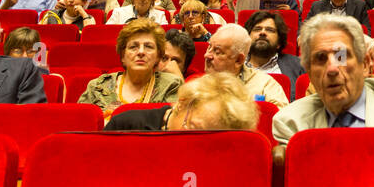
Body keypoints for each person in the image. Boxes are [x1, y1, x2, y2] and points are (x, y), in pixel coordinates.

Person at [271, 13, 374, 138]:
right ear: (309, 71)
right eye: (320, 58)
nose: (332, 69)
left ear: (365, 63)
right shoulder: (290, 123)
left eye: (341, 56)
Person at [78, 20, 182, 117]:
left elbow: (174, 127)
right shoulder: (97, 87)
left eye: (148, 47)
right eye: (133, 47)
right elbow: (81, 125)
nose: (141, 52)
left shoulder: (170, 85)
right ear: (123, 55)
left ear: (158, 56)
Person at [103, 73, 260, 132]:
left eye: (213, 141)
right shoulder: (125, 124)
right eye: (193, 128)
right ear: (181, 104)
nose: (198, 145)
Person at [204, 24, 287, 107]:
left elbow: (280, 117)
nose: (207, 55)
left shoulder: (265, 85)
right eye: (209, 47)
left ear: (238, 60)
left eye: (217, 52)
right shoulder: (198, 86)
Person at [244, 10, 305, 96]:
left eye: (270, 30)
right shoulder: (233, 64)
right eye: (257, 29)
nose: (262, 33)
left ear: (279, 43)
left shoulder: (299, 65)